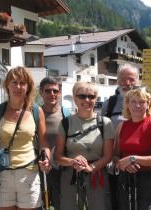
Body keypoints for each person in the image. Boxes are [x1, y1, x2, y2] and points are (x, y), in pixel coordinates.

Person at [0, 66, 50, 210]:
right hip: (4, 174)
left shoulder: (36, 111)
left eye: (23, 83)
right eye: (14, 82)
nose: (18, 87)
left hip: (29, 173)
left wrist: (47, 159)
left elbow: (44, 144)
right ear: (7, 85)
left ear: (28, 87)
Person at [101, 63, 151, 210]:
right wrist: (119, 162)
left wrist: (131, 159)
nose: (127, 83)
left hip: (147, 176)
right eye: (122, 79)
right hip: (117, 171)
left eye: (131, 79)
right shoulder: (109, 104)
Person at [55, 81, 114, 210]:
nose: (86, 100)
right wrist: (72, 162)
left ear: (96, 99)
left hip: (96, 176)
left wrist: (91, 167)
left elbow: (108, 155)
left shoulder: (105, 123)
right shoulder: (65, 123)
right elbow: (58, 156)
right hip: (71, 176)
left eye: (91, 96)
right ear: (74, 98)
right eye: (81, 96)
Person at [113, 88, 151, 210]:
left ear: (148, 105)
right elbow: (115, 156)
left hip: (148, 180)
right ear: (127, 105)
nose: (137, 105)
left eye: (142, 102)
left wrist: (133, 159)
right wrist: (123, 164)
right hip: (125, 179)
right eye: (133, 102)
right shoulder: (122, 126)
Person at [38, 76, 71, 210]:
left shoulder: (66, 114)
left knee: (61, 205)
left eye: (55, 91)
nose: (52, 94)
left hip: (61, 170)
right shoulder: (34, 113)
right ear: (41, 93)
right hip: (39, 167)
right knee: (39, 205)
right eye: (48, 91)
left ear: (59, 93)